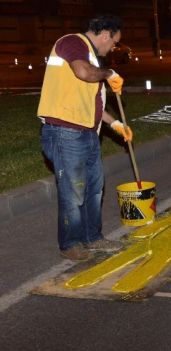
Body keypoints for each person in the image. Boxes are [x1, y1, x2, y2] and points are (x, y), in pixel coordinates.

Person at [37, 14, 132, 261]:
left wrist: (117, 124)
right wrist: (109, 73)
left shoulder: (91, 60)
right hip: (65, 133)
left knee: (94, 189)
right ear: (105, 35)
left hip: (87, 133)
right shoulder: (73, 43)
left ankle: (93, 238)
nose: (112, 48)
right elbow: (82, 73)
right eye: (113, 43)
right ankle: (70, 244)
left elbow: (93, 104)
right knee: (74, 191)